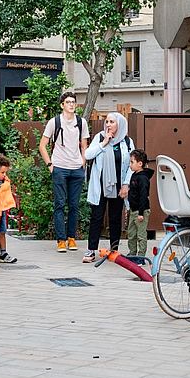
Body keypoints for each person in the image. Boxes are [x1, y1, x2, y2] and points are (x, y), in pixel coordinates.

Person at [39, 91, 89, 253]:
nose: (71, 104)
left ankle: (71, 238)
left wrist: (83, 162)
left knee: (74, 205)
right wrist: (50, 165)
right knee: (60, 204)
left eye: (73, 102)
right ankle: (61, 240)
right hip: (59, 167)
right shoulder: (54, 122)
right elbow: (42, 145)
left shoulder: (81, 122)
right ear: (62, 105)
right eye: (68, 102)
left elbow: (84, 145)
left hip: (76, 169)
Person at [83, 112, 134, 262]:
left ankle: (114, 250)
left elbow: (132, 165)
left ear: (119, 124)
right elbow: (88, 155)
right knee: (96, 217)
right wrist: (104, 143)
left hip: (119, 186)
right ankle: (91, 250)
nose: (108, 124)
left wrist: (126, 184)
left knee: (115, 218)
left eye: (112, 122)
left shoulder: (127, 141)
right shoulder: (100, 137)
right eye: (107, 121)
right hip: (100, 185)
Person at [126, 148, 153, 257]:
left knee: (141, 235)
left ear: (140, 163)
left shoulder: (143, 178)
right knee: (131, 233)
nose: (130, 165)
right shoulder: (134, 175)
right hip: (133, 210)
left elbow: (143, 196)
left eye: (132, 162)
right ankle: (132, 253)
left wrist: (141, 213)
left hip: (141, 211)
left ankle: (141, 256)